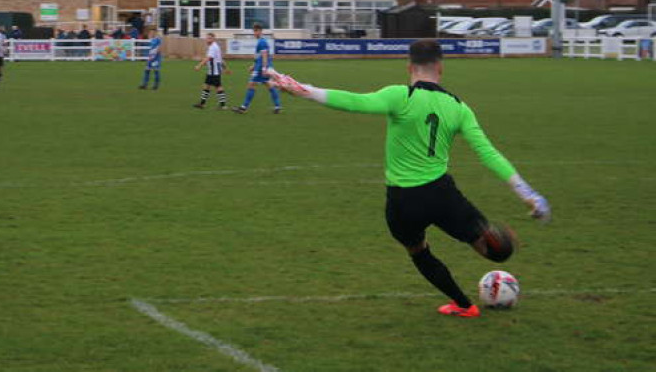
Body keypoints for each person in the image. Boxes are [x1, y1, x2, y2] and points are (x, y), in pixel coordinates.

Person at [270, 39, 552, 318]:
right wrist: (527, 193)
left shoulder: (400, 96)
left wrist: (303, 90)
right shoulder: (458, 107)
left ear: (409, 67)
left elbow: (355, 102)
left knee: (418, 251)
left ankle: (463, 305)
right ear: (440, 68)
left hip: (402, 201)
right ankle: (490, 241)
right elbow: (488, 153)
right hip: (442, 196)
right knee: (496, 250)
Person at [233, 23, 281, 114]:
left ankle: (244, 108)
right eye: (254, 31)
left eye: (256, 31)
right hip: (261, 67)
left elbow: (264, 56)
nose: (254, 33)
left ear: (260, 31)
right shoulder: (262, 41)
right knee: (269, 85)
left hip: (261, 68)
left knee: (251, 85)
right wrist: (254, 66)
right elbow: (260, 56)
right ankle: (277, 106)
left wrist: (263, 69)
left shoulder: (262, 42)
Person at [192, 33, 230, 109]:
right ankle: (202, 104)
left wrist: (199, 65)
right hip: (212, 71)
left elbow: (208, 58)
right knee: (207, 86)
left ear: (213, 39)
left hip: (214, 71)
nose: (207, 39)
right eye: (207, 38)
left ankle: (223, 106)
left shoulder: (213, 47)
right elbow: (220, 59)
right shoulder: (214, 46)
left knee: (217, 87)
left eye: (209, 38)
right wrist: (226, 68)